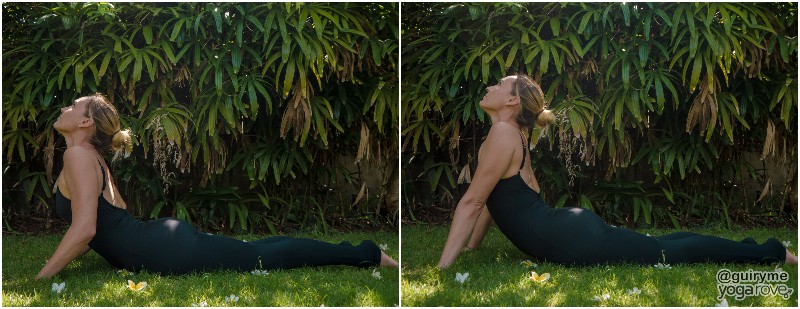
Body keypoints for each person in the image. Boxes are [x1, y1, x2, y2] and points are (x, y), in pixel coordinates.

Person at [438, 74, 797, 268]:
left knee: (667, 255)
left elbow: (473, 201)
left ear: (512, 100)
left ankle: (768, 251)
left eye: (498, 85)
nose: (489, 86)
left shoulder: (503, 133)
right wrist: (471, 247)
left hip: (574, 238)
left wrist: (442, 271)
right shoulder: (507, 134)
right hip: (567, 229)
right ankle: (746, 246)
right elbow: (489, 199)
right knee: (661, 246)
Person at [36, 93, 397, 280]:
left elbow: (87, 229)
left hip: (166, 249)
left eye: (73, 105)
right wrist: (73, 257)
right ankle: (361, 252)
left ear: (85, 121)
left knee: (265, 258)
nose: (65, 107)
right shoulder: (89, 158)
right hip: (161, 240)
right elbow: (93, 230)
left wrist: (44, 275)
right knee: (257, 250)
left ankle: (363, 253)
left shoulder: (79, 157)